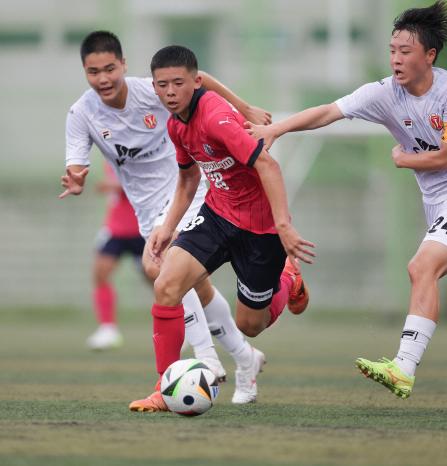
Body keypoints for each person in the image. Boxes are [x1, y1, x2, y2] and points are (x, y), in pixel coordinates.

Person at [246, 1, 447, 399]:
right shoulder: (384, 93)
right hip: (439, 208)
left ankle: (403, 368)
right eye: (392, 50)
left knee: (420, 267)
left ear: (430, 55)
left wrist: (404, 158)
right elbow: (328, 112)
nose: (395, 59)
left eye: (405, 52)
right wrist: (277, 130)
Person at [60, 31, 274, 405]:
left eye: (110, 68)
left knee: (160, 268)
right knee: (195, 287)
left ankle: (204, 361)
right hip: (149, 211)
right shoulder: (82, 114)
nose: (103, 78)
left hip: (192, 192)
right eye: (94, 72)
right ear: (85, 72)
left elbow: (199, 79)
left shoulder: (153, 90)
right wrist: (76, 176)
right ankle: (245, 356)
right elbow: (76, 161)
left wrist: (244, 108)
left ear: (123, 65)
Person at [128, 45, 315, 412]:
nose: (169, 92)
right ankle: (164, 388)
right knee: (165, 283)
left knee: (250, 325)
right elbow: (188, 180)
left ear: (195, 82)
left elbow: (268, 165)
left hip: (260, 230)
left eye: (178, 83)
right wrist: (169, 227)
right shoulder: (175, 123)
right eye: (161, 84)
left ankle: (288, 279)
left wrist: (283, 228)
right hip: (217, 215)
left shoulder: (215, 118)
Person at [86, 162, 147, 350]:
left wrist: (113, 185)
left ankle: (185, 323)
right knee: (100, 274)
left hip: (143, 228)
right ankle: (108, 329)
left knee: (158, 280)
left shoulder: (140, 147)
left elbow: (146, 182)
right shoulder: (108, 152)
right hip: (115, 228)